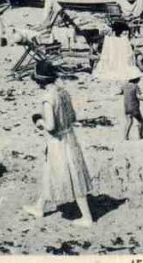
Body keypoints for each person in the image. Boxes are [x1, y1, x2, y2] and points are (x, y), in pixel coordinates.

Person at [23, 60, 94, 227]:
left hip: (57, 142)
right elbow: (73, 117)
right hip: (70, 137)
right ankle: (39, 207)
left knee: (70, 175)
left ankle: (87, 217)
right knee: (54, 171)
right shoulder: (63, 92)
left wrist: (39, 122)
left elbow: (51, 126)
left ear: (39, 81)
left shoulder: (48, 98)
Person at [118, 76, 143, 141]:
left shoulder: (124, 85)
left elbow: (120, 92)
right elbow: (139, 97)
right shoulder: (135, 86)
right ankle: (140, 136)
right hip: (134, 107)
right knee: (141, 121)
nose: (139, 80)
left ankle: (125, 137)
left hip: (127, 107)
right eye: (139, 79)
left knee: (129, 122)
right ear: (136, 79)